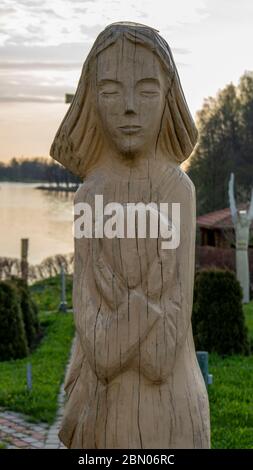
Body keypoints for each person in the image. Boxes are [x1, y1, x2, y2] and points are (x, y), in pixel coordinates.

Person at [50, 22, 210, 449]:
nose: (128, 108)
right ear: (89, 100)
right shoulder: (90, 197)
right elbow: (97, 350)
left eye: (147, 90)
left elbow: (161, 357)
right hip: (99, 415)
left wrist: (122, 304)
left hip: (172, 411)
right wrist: (145, 305)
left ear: (169, 96)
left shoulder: (178, 191)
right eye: (109, 92)